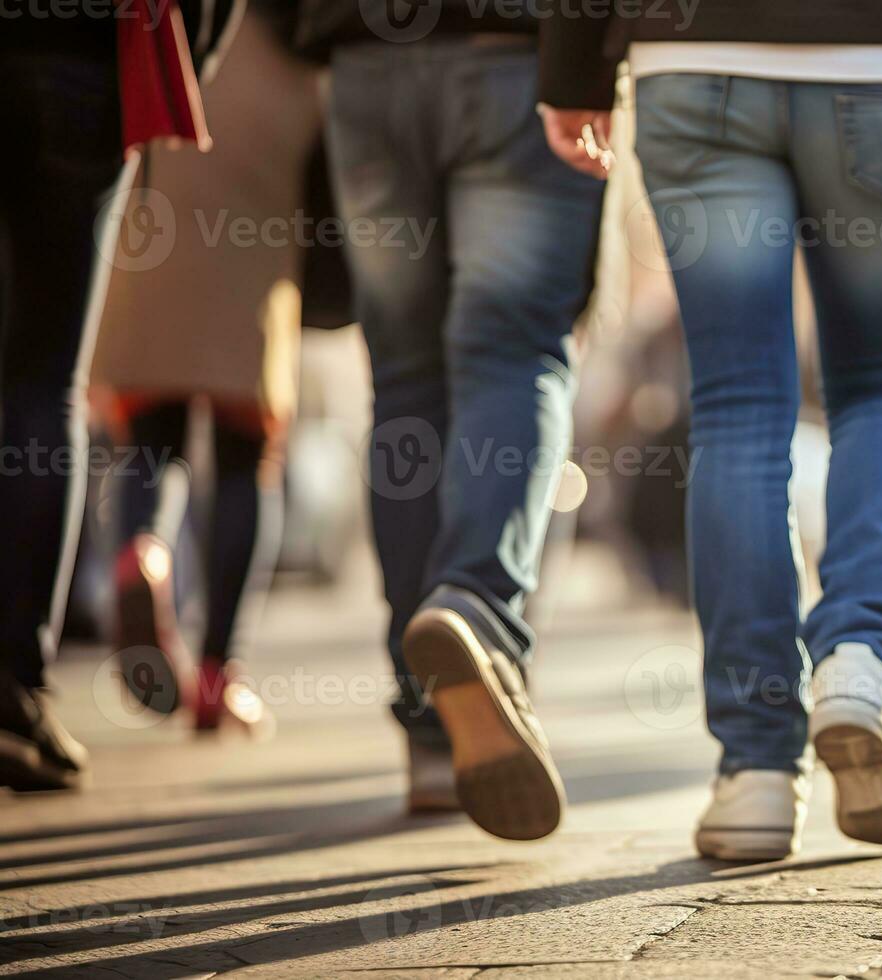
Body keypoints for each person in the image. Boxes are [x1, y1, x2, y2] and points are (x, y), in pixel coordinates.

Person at [538, 0, 882, 860]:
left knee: (734, 410)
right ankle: (863, 662)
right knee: (881, 387)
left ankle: (754, 772)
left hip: (691, 57)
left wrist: (574, 68)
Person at [296, 0, 607, 838]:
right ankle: (475, 606)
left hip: (365, 60)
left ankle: (431, 731)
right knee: (513, 353)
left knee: (403, 384)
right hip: (522, 54)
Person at [0, 0, 238, 791]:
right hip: (82, 59)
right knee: (45, 381)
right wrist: (186, 59)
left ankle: (145, 545)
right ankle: (15, 688)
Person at [92, 0, 322, 736]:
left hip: (171, 115)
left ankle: (142, 556)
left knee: (150, 434)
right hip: (263, 142)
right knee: (247, 449)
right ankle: (222, 674)